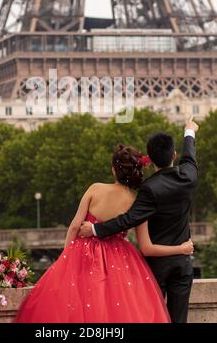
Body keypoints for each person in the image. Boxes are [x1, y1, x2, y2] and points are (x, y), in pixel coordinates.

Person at [14, 145, 194, 323]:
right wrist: (181, 248)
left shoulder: (95, 189)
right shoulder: (137, 201)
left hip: (84, 255)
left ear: (114, 170)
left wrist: (66, 255)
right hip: (121, 260)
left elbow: (75, 226)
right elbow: (146, 247)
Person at [80, 118, 199, 323]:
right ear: (174, 155)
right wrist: (189, 131)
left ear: (150, 160)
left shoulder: (149, 188)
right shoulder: (188, 176)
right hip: (182, 263)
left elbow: (128, 220)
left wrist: (96, 229)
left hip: (156, 267)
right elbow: (190, 157)